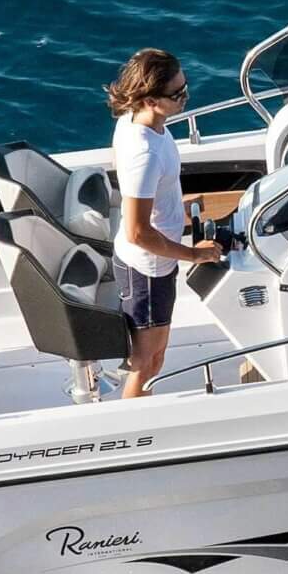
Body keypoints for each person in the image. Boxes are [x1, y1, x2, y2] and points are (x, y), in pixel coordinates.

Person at [104, 48, 221, 398]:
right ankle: (133, 425)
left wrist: (174, 206)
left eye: (185, 87)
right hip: (148, 270)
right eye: (177, 93)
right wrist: (195, 254)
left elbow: (141, 191)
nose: (185, 97)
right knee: (148, 363)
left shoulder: (135, 122)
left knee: (153, 357)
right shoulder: (145, 153)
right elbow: (137, 233)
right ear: (151, 99)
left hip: (151, 263)